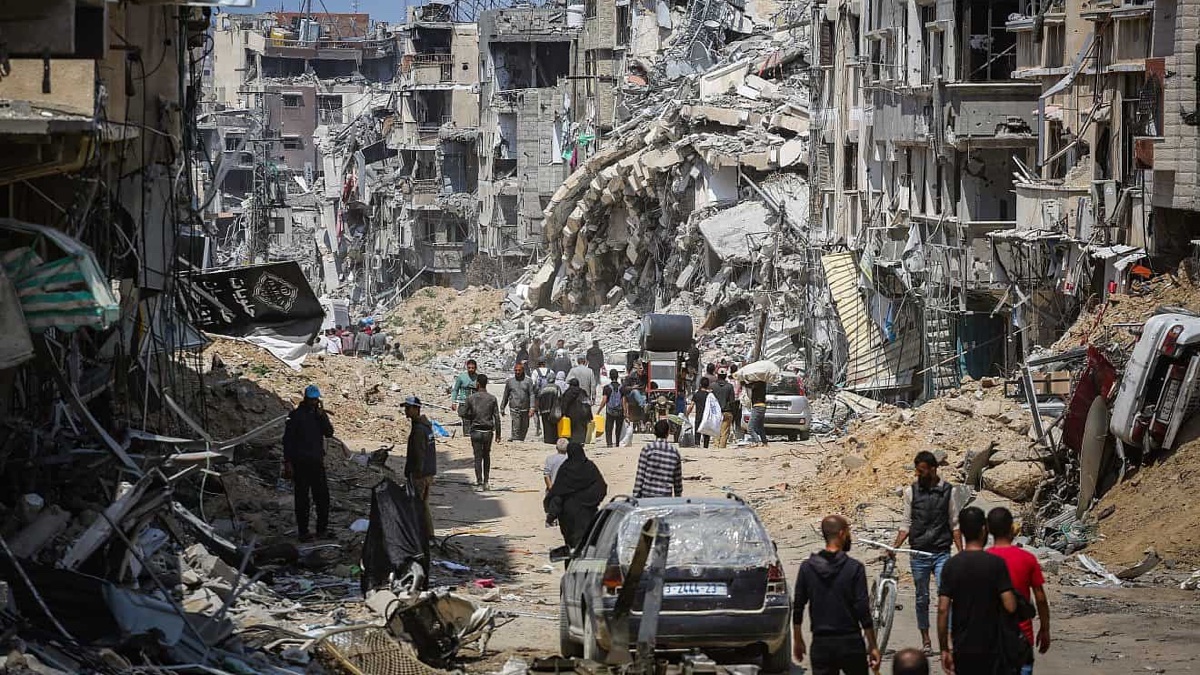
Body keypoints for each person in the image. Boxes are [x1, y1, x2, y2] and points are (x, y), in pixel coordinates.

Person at [890, 450, 965, 655]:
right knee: (921, 597)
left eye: (921, 471)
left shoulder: (949, 491)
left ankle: (947, 639)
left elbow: (954, 524)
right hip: (918, 553)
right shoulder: (910, 492)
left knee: (945, 596)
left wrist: (962, 553)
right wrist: (894, 547)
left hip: (942, 552)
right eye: (917, 470)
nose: (918, 474)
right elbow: (906, 523)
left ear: (933, 469)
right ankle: (926, 640)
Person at [792, 515, 881, 675]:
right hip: (851, 641)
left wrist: (798, 639)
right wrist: (872, 645)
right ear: (841, 534)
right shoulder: (855, 568)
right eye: (848, 532)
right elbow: (862, 608)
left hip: (821, 643)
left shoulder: (807, 568)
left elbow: (798, 606)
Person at [937, 507, 1019, 674]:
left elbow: (943, 609)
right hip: (992, 645)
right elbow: (1010, 606)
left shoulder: (951, 565)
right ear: (984, 530)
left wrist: (944, 648)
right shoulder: (996, 564)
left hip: (962, 645)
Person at [988, 507, 1051, 674]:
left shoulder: (983, 560)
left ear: (988, 529)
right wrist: (1045, 629)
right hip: (1022, 636)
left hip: (991, 637)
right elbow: (1041, 598)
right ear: (1011, 527)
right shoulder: (1027, 559)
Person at [282, 385, 334, 542]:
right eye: (311, 399)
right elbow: (287, 441)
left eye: (315, 399)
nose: (314, 402)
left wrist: (322, 416)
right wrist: (288, 463)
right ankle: (303, 532)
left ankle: (321, 530)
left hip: (316, 463)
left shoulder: (318, 416)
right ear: (306, 399)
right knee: (302, 500)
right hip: (301, 464)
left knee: (323, 498)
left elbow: (329, 433)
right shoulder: (296, 416)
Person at [543, 442, 607, 548]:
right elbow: (601, 488)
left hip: (568, 517)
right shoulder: (589, 467)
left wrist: (551, 515)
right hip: (588, 513)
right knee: (588, 542)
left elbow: (558, 494)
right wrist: (592, 502)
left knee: (571, 545)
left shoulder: (565, 468)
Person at [403, 396, 437, 540]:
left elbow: (419, 452)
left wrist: (415, 472)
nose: (406, 410)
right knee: (423, 505)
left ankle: (421, 535)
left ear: (416, 409)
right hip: (429, 471)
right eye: (405, 407)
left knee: (418, 504)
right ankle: (428, 534)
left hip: (421, 474)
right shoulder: (426, 427)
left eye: (408, 407)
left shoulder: (419, 429)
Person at [461, 373, 501, 490]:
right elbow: (497, 417)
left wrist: (472, 416)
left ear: (477, 384)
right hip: (488, 431)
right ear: (486, 383)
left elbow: (463, 413)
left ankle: (479, 481)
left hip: (476, 431)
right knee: (486, 456)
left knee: (477, 457)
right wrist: (498, 434)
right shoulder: (492, 398)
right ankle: (486, 482)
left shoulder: (470, 398)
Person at [632, 419, 683, 498]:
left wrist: (635, 497)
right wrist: (678, 498)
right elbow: (678, 482)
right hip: (665, 498)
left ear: (654, 432)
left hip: (647, 496)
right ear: (668, 433)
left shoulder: (647, 449)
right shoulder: (674, 452)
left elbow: (640, 476)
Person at [501, 362, 538, 441]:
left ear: (523, 370)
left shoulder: (528, 381)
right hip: (514, 409)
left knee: (524, 427)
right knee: (516, 427)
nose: (517, 372)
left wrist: (532, 407)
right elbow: (505, 395)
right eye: (516, 370)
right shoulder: (510, 382)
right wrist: (502, 407)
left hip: (525, 409)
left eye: (519, 370)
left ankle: (520, 441)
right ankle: (515, 443)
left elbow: (532, 394)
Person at [559, 377, 592, 444]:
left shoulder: (568, 392)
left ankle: (573, 443)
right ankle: (581, 442)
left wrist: (563, 413)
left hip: (571, 415)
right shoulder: (583, 392)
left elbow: (565, 403)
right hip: (582, 414)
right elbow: (587, 404)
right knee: (582, 430)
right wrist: (590, 416)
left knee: (572, 431)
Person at [710, 369, 735, 448]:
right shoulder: (730, 386)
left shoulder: (712, 386)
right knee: (724, 433)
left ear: (717, 375)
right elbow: (732, 401)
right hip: (727, 412)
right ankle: (722, 448)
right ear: (725, 376)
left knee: (716, 431)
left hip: (715, 413)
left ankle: (716, 447)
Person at [450, 359, 479, 428]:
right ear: (466, 367)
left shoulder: (478, 378)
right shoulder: (461, 377)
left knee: (475, 422)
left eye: (473, 368)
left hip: (475, 404)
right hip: (464, 403)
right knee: (465, 420)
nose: (471, 369)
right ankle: (466, 436)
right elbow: (455, 390)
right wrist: (453, 402)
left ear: (476, 368)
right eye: (469, 368)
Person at [600, 369, 625, 447]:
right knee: (618, 428)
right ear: (617, 376)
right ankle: (617, 443)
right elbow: (624, 401)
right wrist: (626, 412)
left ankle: (609, 444)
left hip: (610, 411)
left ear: (610, 377)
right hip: (620, 411)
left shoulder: (606, 388)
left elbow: (604, 400)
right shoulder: (622, 387)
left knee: (608, 428)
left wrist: (599, 410)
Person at [686, 377, 713, 448]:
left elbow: (691, 406)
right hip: (707, 417)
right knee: (706, 432)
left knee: (698, 431)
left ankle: (697, 444)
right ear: (708, 385)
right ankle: (706, 446)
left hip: (699, 416)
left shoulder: (696, 394)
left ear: (700, 384)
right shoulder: (710, 395)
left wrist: (687, 414)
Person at [537, 373, 562, 444]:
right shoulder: (556, 387)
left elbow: (539, 398)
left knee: (546, 426)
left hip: (544, 410)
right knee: (554, 426)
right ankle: (554, 440)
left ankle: (547, 440)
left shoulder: (543, 388)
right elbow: (560, 398)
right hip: (553, 410)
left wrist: (539, 409)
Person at [747, 379, 768, 446]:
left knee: (750, 428)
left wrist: (744, 383)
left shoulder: (759, 383)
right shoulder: (763, 383)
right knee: (760, 427)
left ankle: (757, 442)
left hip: (757, 407)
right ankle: (764, 442)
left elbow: (750, 386)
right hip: (762, 406)